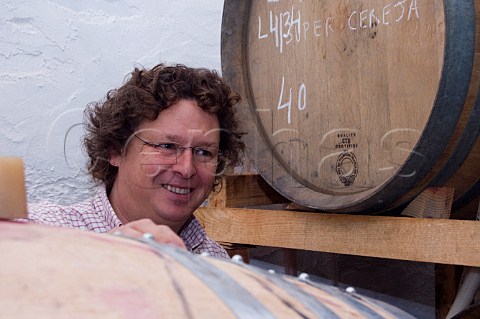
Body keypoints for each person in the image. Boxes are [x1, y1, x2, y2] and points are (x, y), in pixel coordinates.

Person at [27, 63, 245, 258]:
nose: (186, 168)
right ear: (116, 150)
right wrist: (91, 260)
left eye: (203, 152)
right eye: (167, 146)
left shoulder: (216, 260)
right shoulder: (42, 230)